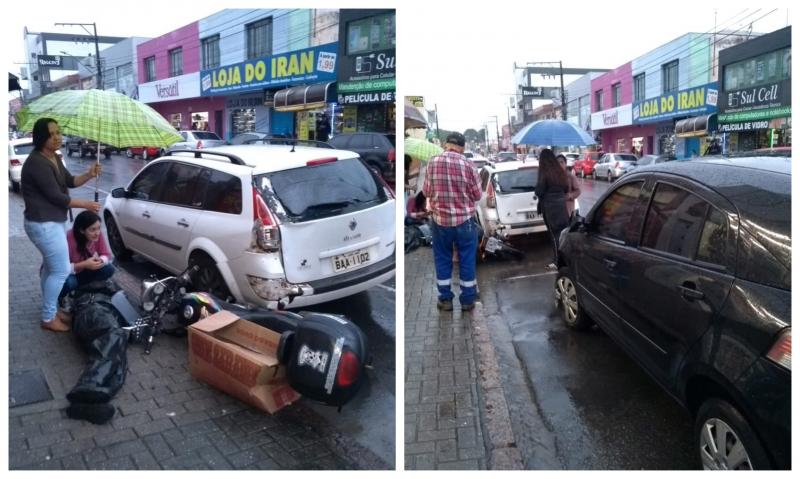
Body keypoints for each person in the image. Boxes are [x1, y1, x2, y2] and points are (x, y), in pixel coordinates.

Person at [21, 117, 102, 332]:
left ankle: (51, 309)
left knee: (50, 269)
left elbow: (69, 181)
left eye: (59, 132)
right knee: (61, 271)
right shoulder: (36, 163)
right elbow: (56, 197)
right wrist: (86, 204)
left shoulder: (54, 157)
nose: (58, 137)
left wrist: (89, 174)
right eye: (52, 134)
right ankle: (48, 318)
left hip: (52, 221)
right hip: (42, 224)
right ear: (42, 137)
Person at [422, 132, 482, 312]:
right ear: (462, 148)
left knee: (442, 258)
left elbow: (426, 191)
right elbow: (478, 195)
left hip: (440, 221)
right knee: (467, 259)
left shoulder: (432, 162)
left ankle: (445, 300)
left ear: (445, 144)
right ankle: (467, 300)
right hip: (465, 221)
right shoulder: (469, 165)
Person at [59, 211, 116, 304]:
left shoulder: (97, 234)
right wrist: (85, 264)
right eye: (92, 230)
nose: (97, 233)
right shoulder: (68, 239)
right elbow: (60, 269)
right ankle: (64, 296)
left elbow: (106, 254)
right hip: (69, 274)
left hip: (84, 271)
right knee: (69, 283)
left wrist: (100, 260)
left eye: (98, 228)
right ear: (81, 230)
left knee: (109, 269)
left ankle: (82, 289)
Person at [535, 149, 571, 271]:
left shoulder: (544, 172)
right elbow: (566, 188)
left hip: (550, 208)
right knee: (563, 234)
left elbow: (539, 191)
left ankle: (557, 261)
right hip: (561, 206)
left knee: (554, 234)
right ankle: (566, 259)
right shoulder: (560, 172)